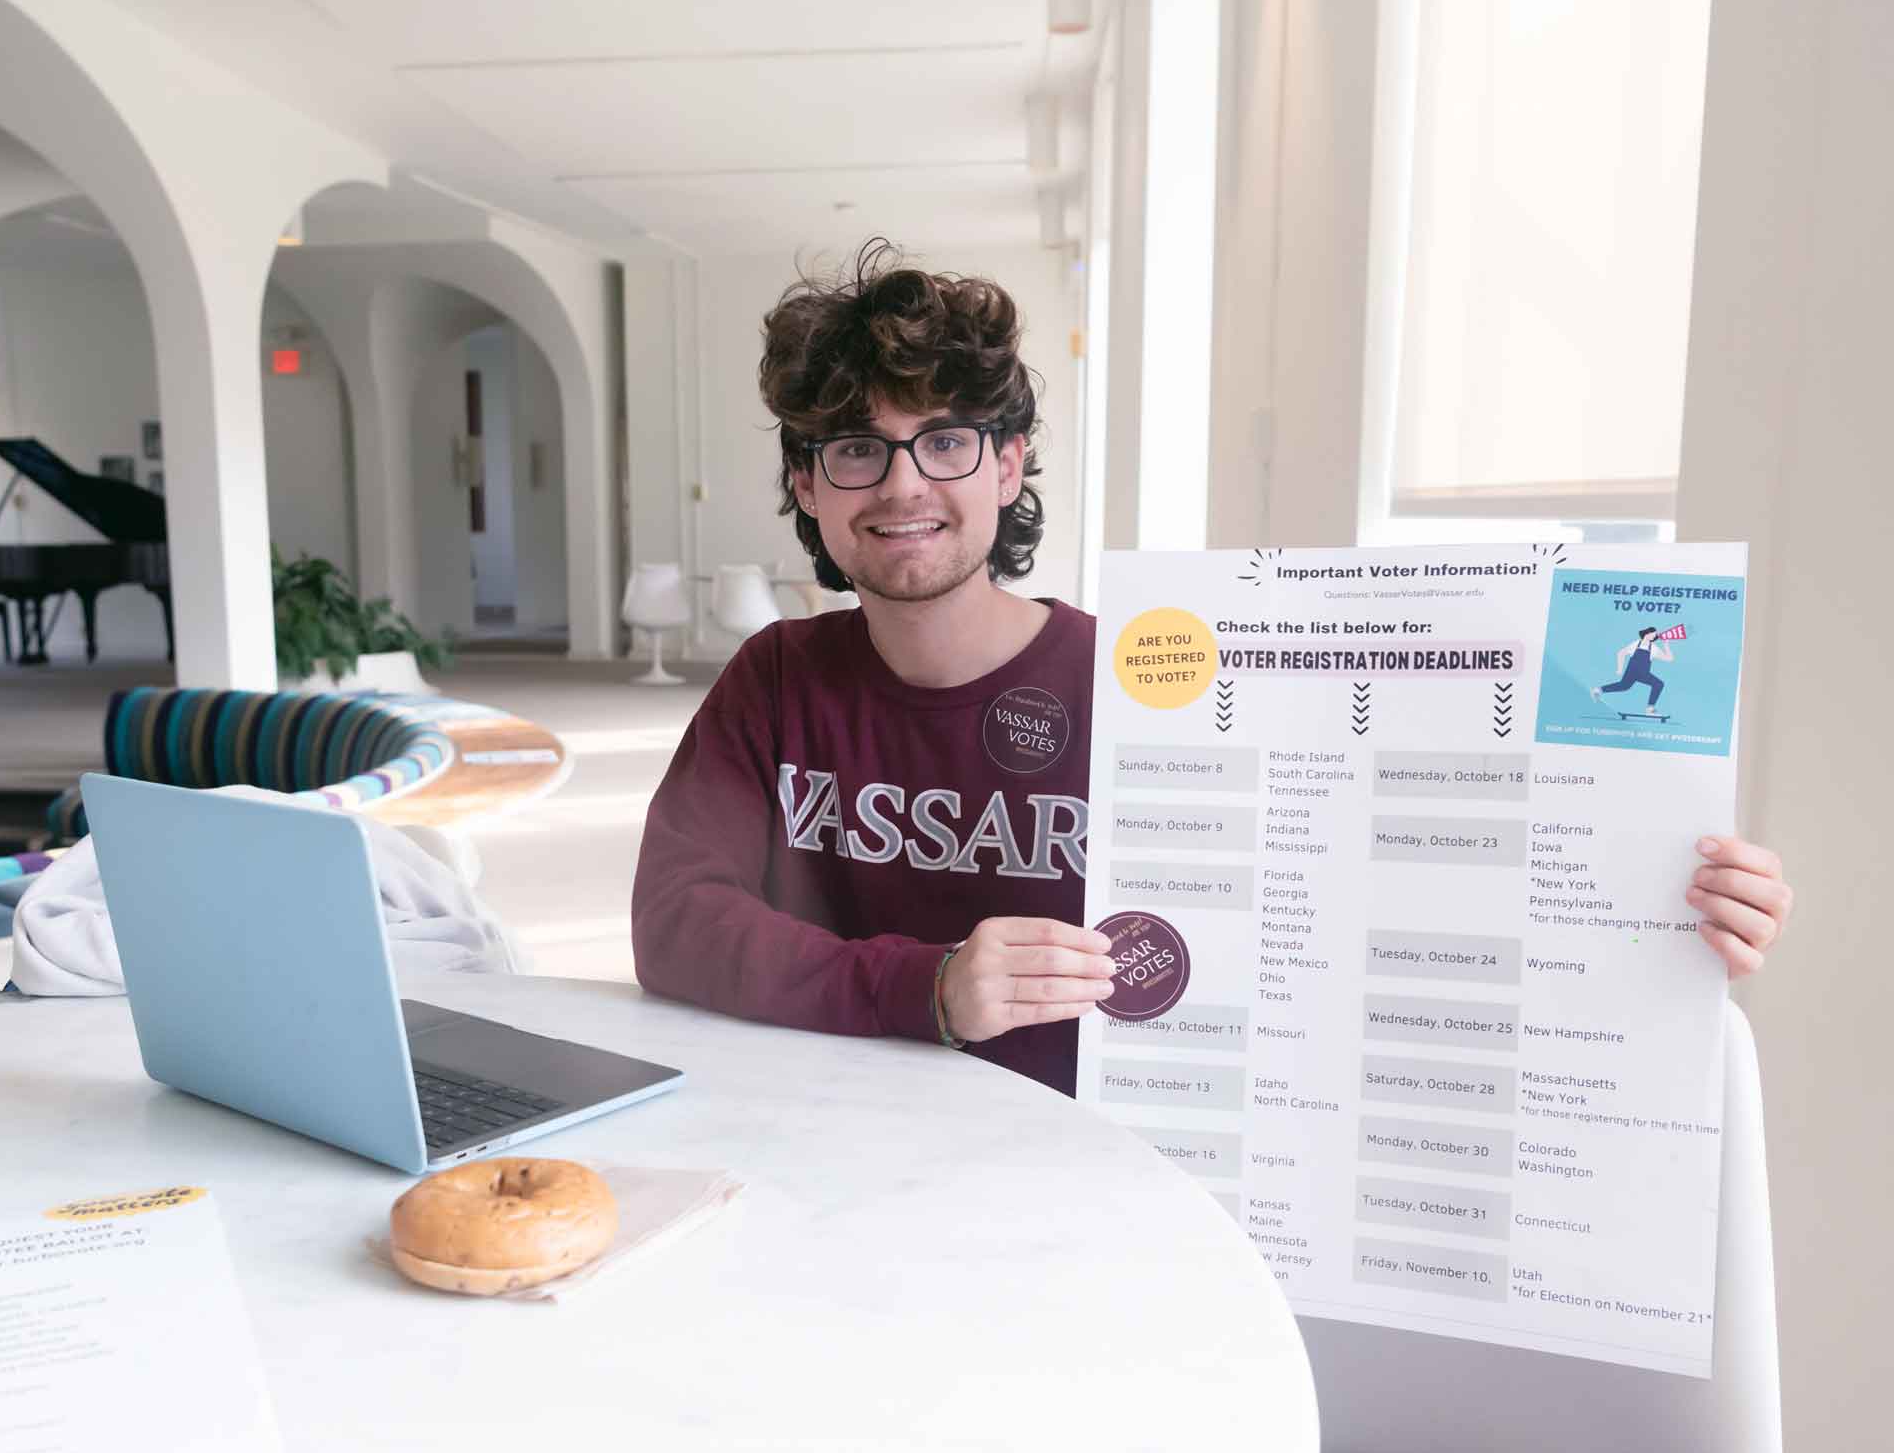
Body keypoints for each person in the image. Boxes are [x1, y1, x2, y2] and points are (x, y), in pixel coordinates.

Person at [630, 242, 1793, 1096]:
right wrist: (928, 986)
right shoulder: (777, 680)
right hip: (843, 1145)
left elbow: (1370, 890)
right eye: (853, 451)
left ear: (1009, 462)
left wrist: (1645, 903)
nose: (901, 486)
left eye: (945, 439)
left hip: (1103, 1173)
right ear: (805, 485)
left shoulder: (1142, 684)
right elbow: (674, 922)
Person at [1594, 626, 1673, 713]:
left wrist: (1666, 645)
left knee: (1659, 684)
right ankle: (1598, 690)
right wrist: (1619, 669)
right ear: (1647, 633)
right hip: (1631, 672)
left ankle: (1650, 708)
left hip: (1643, 674)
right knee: (1623, 686)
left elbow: (1669, 659)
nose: (1654, 636)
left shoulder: (1654, 648)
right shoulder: (1636, 644)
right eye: (1653, 634)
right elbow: (1621, 653)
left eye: (1655, 635)